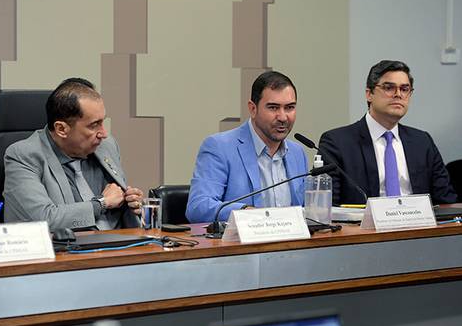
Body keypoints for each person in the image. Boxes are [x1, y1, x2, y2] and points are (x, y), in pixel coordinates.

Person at [3, 77, 143, 231]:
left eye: (102, 122)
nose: (103, 133)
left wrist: (133, 204)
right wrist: (101, 203)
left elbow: (121, 207)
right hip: (67, 245)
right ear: (61, 129)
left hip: (121, 242)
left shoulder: (106, 146)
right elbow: (44, 219)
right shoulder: (24, 155)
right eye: (94, 125)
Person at [318, 60, 457, 205]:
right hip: (363, 220)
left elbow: (446, 201)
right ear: (369, 94)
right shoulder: (337, 143)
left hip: (417, 219)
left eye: (404, 89)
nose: (398, 94)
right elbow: (327, 206)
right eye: (389, 88)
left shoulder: (422, 142)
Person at [186, 71, 308, 223]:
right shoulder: (219, 147)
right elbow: (198, 207)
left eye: (289, 107)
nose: (283, 117)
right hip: (241, 238)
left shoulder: (297, 153)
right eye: (273, 108)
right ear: (252, 109)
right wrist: (245, 212)